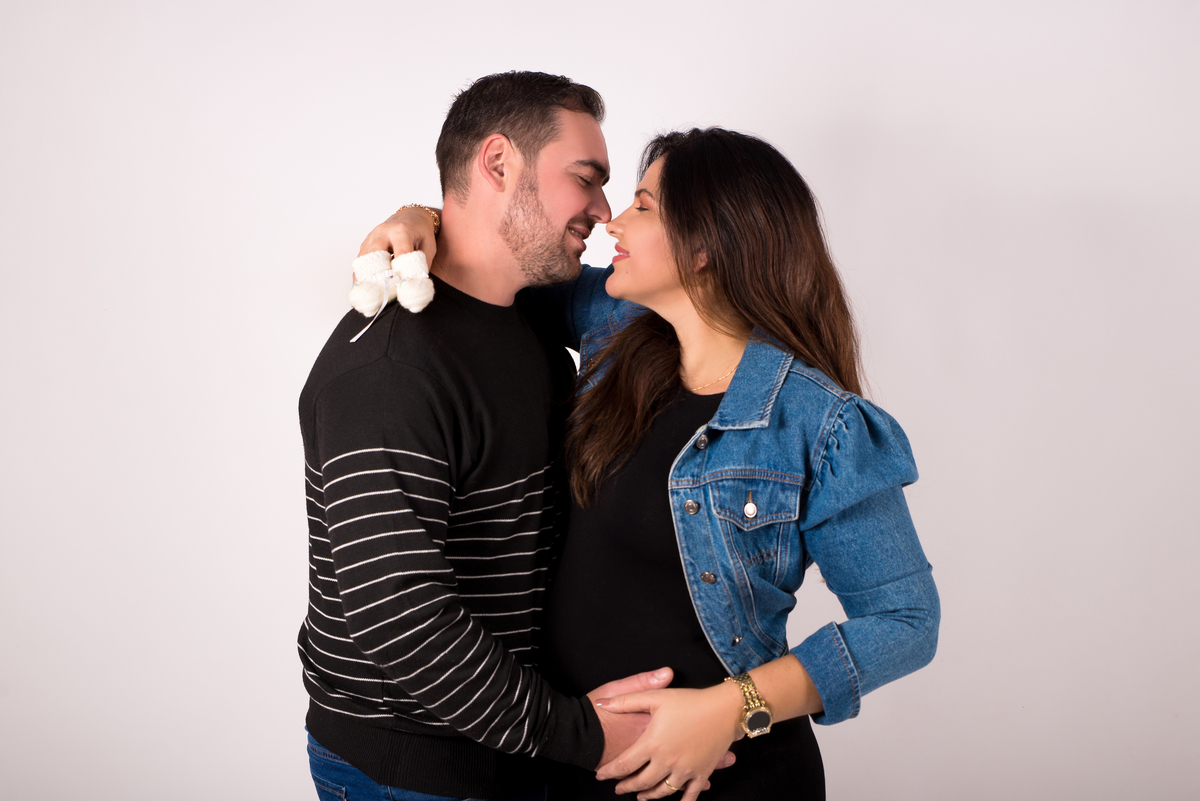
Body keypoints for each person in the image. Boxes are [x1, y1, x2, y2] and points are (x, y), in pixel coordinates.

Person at [361, 127, 941, 800]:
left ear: (703, 244)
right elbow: (494, 258)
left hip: (722, 776)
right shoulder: (613, 324)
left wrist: (732, 709)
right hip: (568, 763)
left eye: (643, 205)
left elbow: (906, 620)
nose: (613, 221)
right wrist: (421, 219)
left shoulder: (820, 424)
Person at [297, 71, 696, 801]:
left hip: (519, 746)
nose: (603, 211)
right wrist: (589, 736)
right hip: (416, 772)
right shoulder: (388, 370)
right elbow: (400, 620)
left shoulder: (526, 312)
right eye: (586, 179)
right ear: (499, 162)